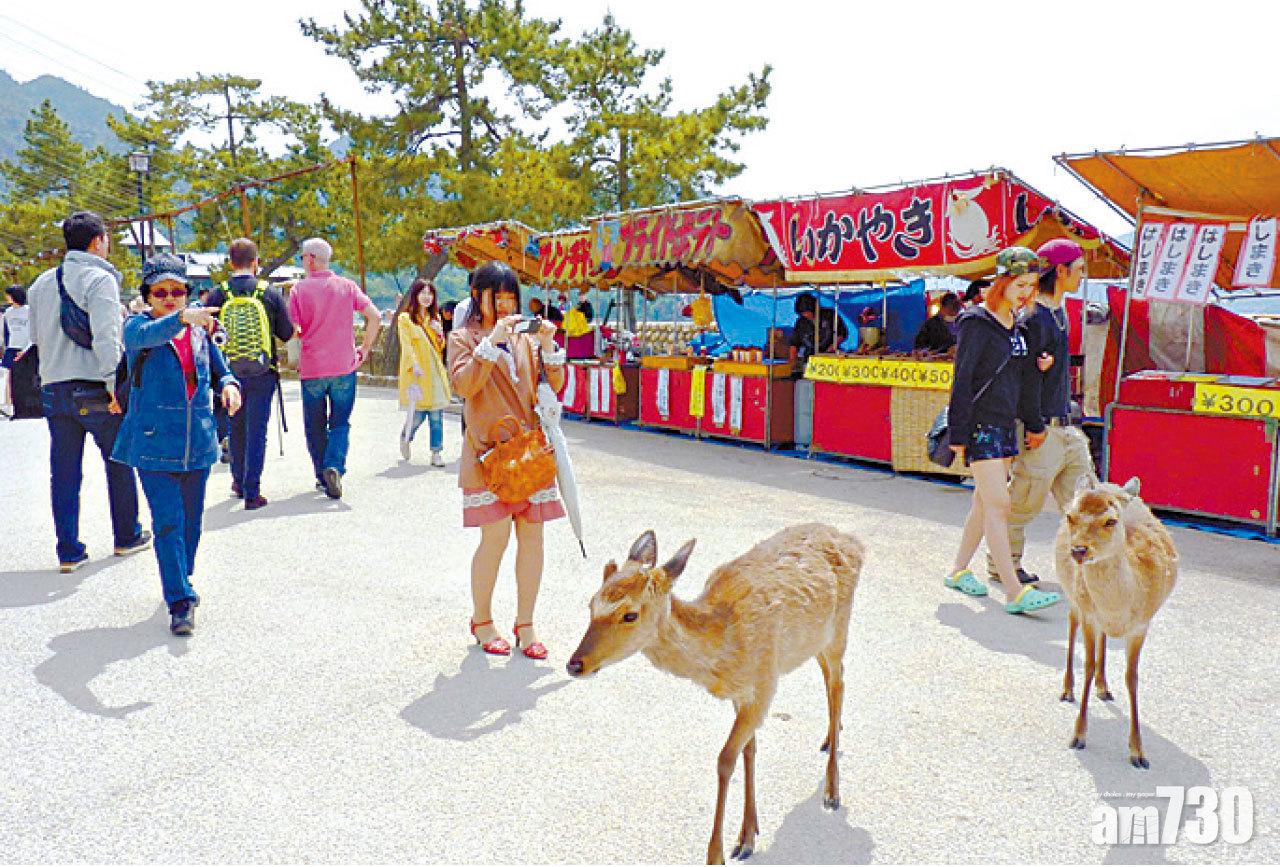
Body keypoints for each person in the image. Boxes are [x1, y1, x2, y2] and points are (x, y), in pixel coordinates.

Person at [113, 254, 241, 634]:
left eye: (178, 291)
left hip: (198, 442)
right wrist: (184, 318)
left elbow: (221, 368)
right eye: (161, 292)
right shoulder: (138, 326)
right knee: (167, 523)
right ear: (148, 296)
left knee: (192, 523)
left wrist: (230, 385)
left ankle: (181, 578)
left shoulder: (200, 330)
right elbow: (146, 337)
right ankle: (180, 601)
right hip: (153, 443)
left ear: (187, 293)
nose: (170, 297)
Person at [448, 261, 566, 660]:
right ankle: (482, 620)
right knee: (495, 538)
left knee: (533, 537)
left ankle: (526, 622)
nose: (502, 304)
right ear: (476, 296)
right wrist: (490, 345)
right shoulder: (463, 338)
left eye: (509, 296)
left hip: (529, 451)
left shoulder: (525, 341)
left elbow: (553, 387)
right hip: (489, 454)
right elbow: (464, 385)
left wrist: (549, 348)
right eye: (494, 296)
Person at [26, 211, 149, 572]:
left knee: (63, 470)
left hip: (53, 387)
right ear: (98, 241)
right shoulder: (99, 280)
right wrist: (116, 387)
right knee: (119, 459)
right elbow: (107, 338)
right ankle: (126, 535)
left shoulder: (39, 285)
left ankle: (68, 550)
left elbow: (35, 339)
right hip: (93, 385)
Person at [943, 246, 1062, 615]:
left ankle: (958, 571)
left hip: (1005, 425)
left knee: (983, 503)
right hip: (979, 426)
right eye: (1019, 284)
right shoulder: (977, 323)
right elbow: (962, 381)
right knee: (999, 504)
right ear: (1003, 282)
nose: (1026, 293)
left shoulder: (1020, 327)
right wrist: (959, 435)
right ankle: (1014, 591)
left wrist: (1036, 407)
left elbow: (1023, 383)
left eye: (1030, 286)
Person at [988, 238, 1097, 584]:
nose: (1082, 275)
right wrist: (1035, 425)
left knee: (1086, 501)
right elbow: (1026, 378)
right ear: (1061, 271)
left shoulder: (1059, 311)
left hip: (1066, 425)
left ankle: (1088, 564)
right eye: (1079, 269)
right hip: (1043, 428)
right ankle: (1003, 564)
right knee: (1023, 502)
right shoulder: (1034, 318)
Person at [288, 237, 381, 499]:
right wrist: (364, 348)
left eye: (303, 257)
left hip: (313, 368)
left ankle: (322, 475)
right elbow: (374, 316)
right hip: (343, 365)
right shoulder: (347, 286)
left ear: (311, 259)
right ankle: (334, 466)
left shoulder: (298, 290)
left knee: (315, 426)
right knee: (340, 422)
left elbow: (293, 331)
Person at [205, 238, 294, 510]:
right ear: (256, 262)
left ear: (230, 263)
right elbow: (287, 333)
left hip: (228, 373)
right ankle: (252, 491)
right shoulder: (268, 293)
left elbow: (207, 334)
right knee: (257, 430)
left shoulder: (218, 294)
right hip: (262, 372)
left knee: (236, 426)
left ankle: (238, 481)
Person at [398, 278, 452, 465]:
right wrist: (413, 365)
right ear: (415, 295)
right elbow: (407, 345)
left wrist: (439, 334)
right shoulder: (405, 319)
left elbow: (440, 347)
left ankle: (436, 452)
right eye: (423, 293)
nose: (427, 297)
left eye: (430, 293)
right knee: (418, 414)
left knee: (437, 414)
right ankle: (406, 436)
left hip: (434, 371)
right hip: (418, 373)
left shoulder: (435, 318)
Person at [788, 291, 848, 377]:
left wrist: (834, 345)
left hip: (830, 359)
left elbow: (842, 333)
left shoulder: (830, 315)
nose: (806, 315)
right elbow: (794, 344)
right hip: (810, 360)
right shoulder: (801, 322)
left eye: (807, 312)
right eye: (803, 313)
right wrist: (791, 362)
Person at [2, 286, 31, 413]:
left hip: (26, 347)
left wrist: (26, 348)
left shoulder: (29, 311)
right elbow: (7, 332)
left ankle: (28, 403)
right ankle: (8, 404)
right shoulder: (8, 312)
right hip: (12, 347)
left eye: (8, 295)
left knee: (26, 376)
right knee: (10, 376)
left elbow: (33, 331)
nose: (6, 297)